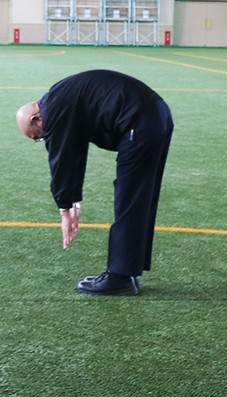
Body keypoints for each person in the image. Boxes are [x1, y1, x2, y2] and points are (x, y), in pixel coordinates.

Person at [16, 69, 173, 296]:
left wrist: (65, 206)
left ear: (36, 119)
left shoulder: (54, 109)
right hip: (157, 115)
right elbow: (74, 151)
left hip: (139, 121)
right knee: (139, 198)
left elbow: (62, 158)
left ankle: (120, 277)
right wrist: (72, 201)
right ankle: (129, 272)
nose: (43, 138)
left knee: (129, 197)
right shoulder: (60, 100)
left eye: (38, 136)